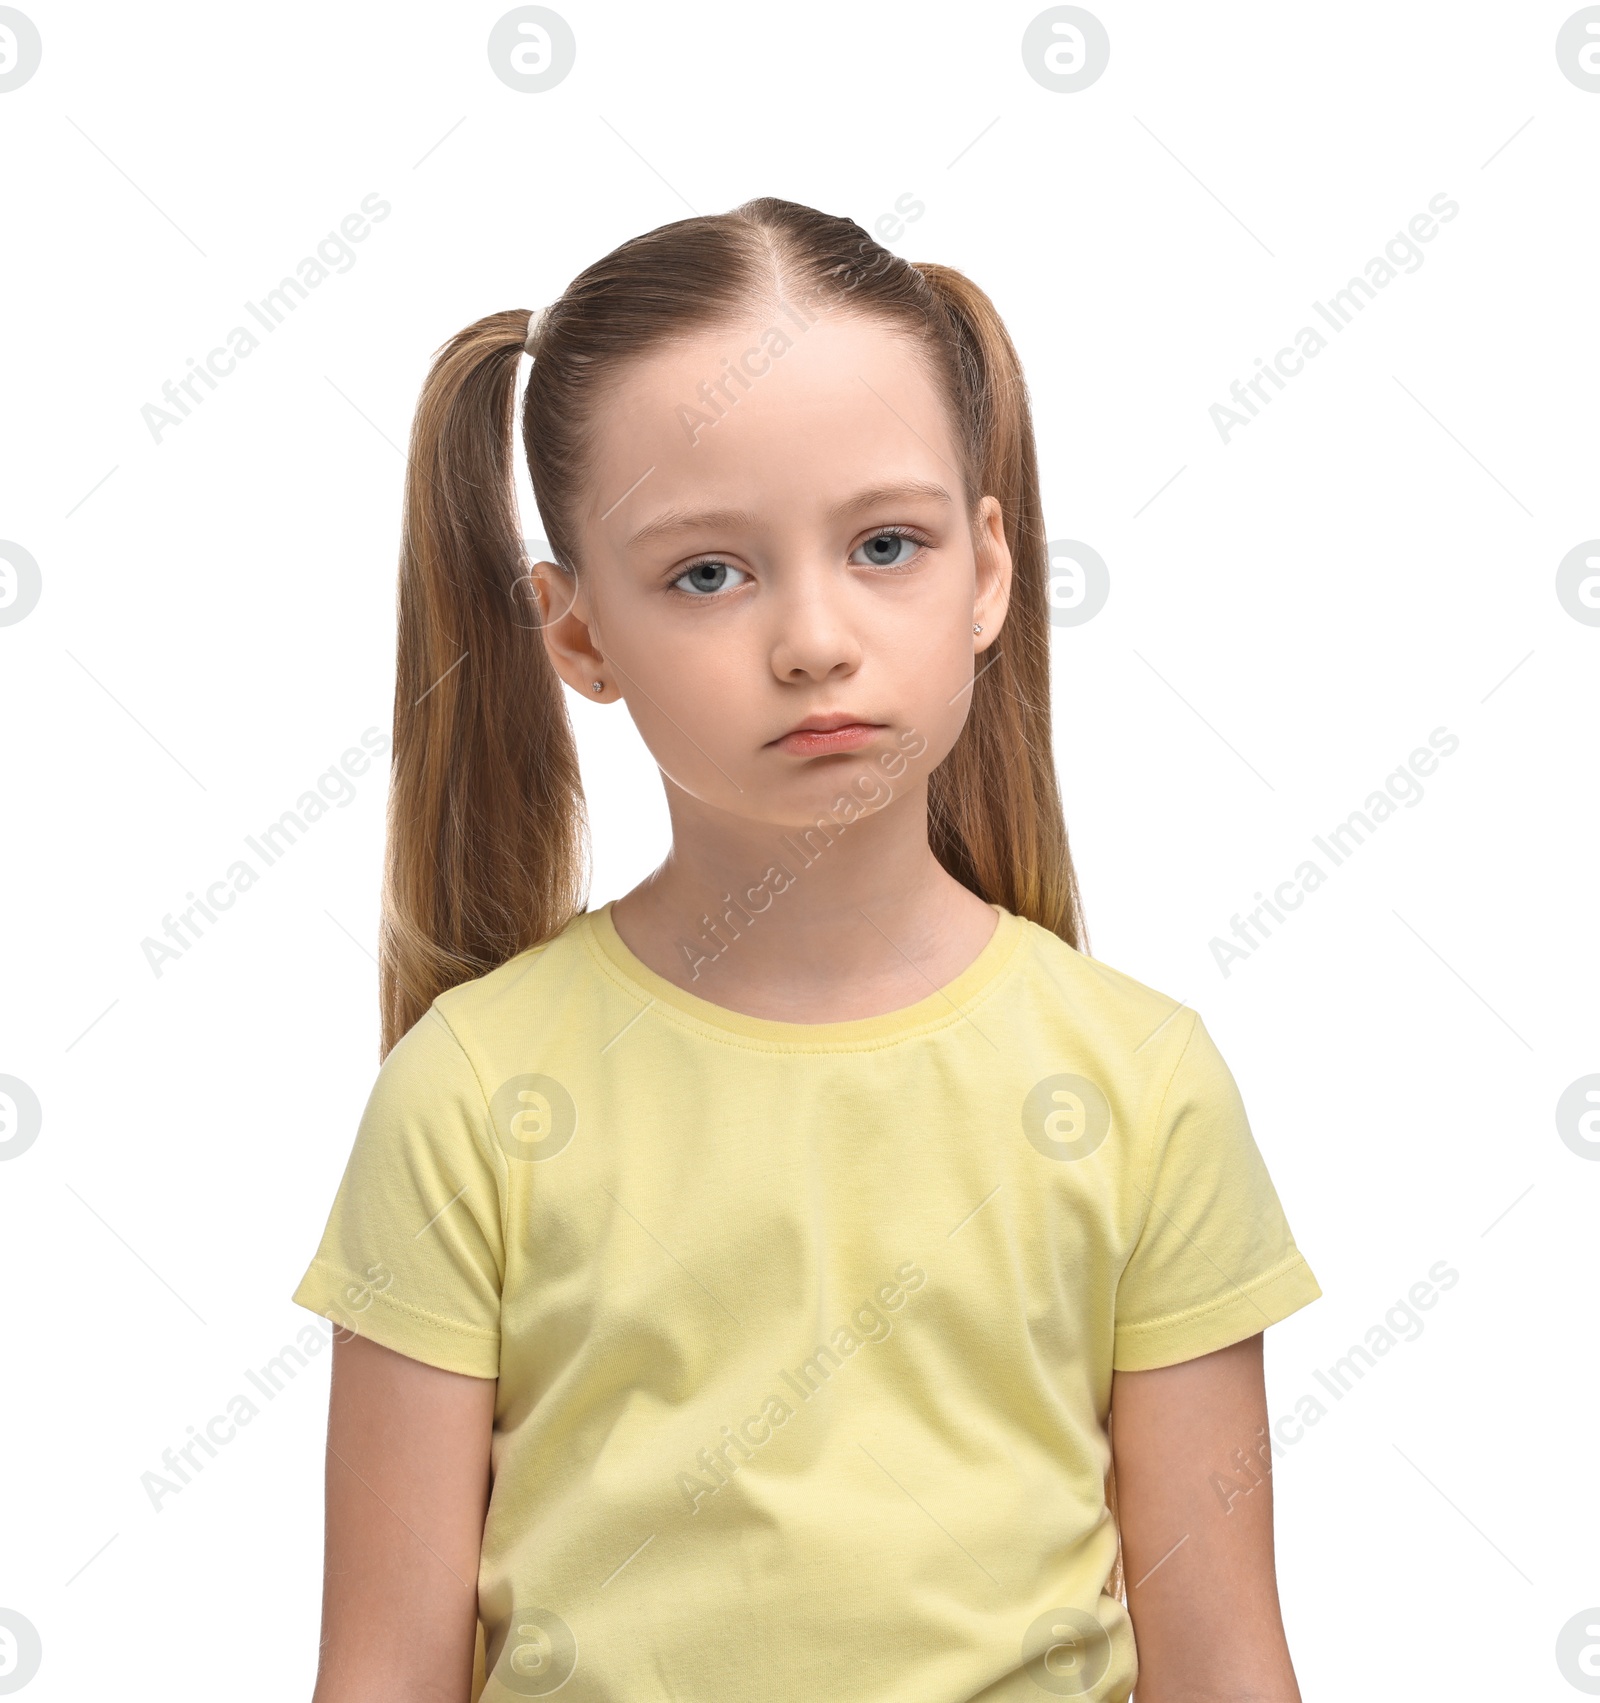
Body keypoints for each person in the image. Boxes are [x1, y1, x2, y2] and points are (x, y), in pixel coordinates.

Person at [291, 195, 1322, 1703]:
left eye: (885, 545)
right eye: (708, 573)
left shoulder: (1143, 1084)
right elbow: (382, 1673)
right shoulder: (469, 1097)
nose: (814, 638)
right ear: (576, 637)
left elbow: (1225, 1663)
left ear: (986, 570)